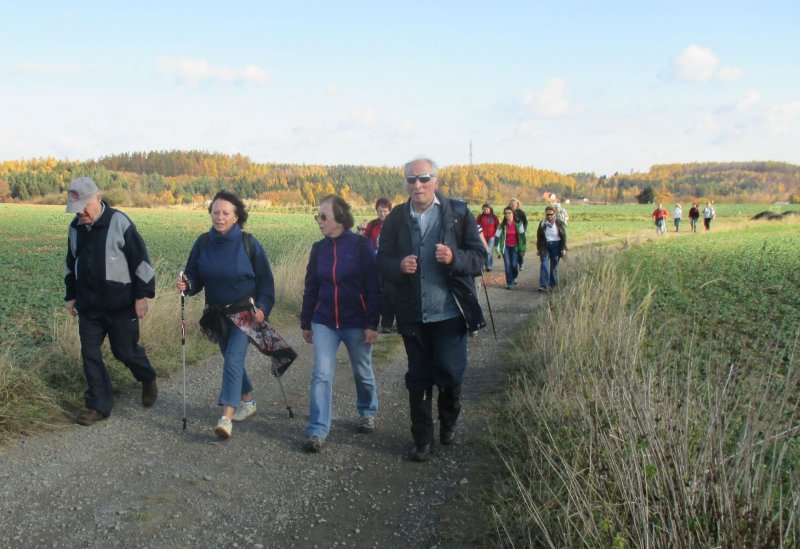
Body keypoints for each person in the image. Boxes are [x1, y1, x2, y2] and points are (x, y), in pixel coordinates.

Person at [378, 156, 485, 462]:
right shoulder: (397, 218)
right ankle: (422, 439)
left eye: (424, 178)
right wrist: (398, 266)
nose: (417, 185)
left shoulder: (458, 213)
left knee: (450, 373)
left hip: (451, 314)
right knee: (419, 377)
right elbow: (381, 260)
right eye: (411, 180)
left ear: (436, 181)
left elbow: (479, 257)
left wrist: (454, 258)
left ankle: (449, 420)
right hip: (413, 314)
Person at [176, 190, 276, 439]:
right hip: (216, 314)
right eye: (215, 212)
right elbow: (194, 278)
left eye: (225, 213)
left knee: (233, 360)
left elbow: (265, 280)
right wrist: (186, 285)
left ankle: (226, 418)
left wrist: (263, 308)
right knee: (230, 360)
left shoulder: (248, 243)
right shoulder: (202, 243)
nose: (219, 217)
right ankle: (248, 401)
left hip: (245, 314)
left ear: (236, 217)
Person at [64, 176, 158, 426]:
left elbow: (141, 261)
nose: (81, 213)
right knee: (90, 354)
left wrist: (142, 295)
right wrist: (71, 295)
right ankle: (98, 405)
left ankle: (147, 377)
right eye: (76, 209)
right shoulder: (75, 229)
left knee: (125, 352)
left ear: (97, 198)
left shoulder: (120, 222)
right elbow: (70, 264)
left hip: (121, 306)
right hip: (89, 307)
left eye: (85, 206)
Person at [301, 195, 381, 453]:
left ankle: (367, 410)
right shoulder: (318, 249)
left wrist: (372, 323)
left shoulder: (360, 246)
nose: (319, 221)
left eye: (323, 216)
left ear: (340, 218)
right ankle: (317, 430)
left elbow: (373, 287)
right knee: (321, 374)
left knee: (362, 370)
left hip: (356, 321)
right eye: (318, 216)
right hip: (324, 320)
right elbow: (311, 287)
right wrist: (306, 322)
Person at [363, 197, 395, 333]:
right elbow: (363, 241)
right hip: (374, 263)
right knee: (375, 291)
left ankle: (387, 323)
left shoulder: (395, 224)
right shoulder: (372, 225)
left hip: (390, 263)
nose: (382, 214)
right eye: (380, 211)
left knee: (389, 292)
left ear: (390, 211)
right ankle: (372, 320)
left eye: (385, 211)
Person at [536, 205, 568, 292]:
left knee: (554, 266)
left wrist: (564, 248)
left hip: (556, 245)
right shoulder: (543, 223)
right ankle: (543, 285)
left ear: (555, 214)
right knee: (544, 265)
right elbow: (539, 236)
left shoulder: (559, 223)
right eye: (547, 215)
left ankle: (553, 284)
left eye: (551, 214)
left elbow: (564, 237)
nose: (549, 216)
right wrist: (538, 248)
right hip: (545, 245)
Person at [494, 207, 526, 290]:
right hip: (506, 248)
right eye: (506, 213)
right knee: (507, 265)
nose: (507, 215)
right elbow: (497, 237)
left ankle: (514, 276)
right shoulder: (502, 226)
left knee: (514, 265)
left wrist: (523, 249)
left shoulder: (518, 224)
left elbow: (523, 237)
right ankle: (509, 283)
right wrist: (497, 250)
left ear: (513, 214)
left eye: (509, 213)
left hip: (515, 247)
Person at [475, 203, 499, 271]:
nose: (485, 210)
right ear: (482, 210)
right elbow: (477, 226)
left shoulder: (494, 217)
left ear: (490, 209)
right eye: (484, 209)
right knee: (482, 251)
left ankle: (488, 265)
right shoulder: (480, 217)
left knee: (489, 251)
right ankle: (481, 265)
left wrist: (497, 236)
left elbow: (497, 227)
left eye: (487, 209)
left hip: (491, 236)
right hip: (482, 237)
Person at [508, 198, 528, 270]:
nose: (513, 206)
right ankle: (513, 264)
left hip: (520, 234)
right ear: (509, 205)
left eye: (514, 204)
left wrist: (524, 230)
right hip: (511, 235)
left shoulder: (521, 212)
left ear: (517, 205)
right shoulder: (507, 212)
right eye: (511, 204)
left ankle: (521, 263)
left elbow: (525, 222)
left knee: (520, 251)